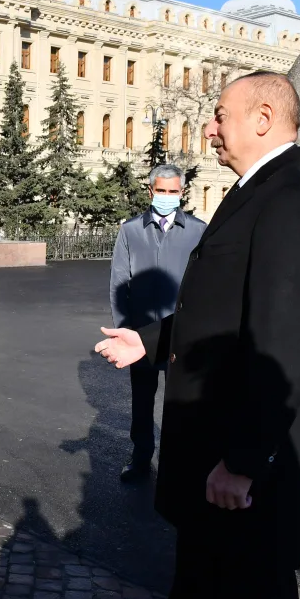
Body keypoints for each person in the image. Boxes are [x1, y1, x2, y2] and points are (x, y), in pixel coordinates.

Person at [94, 72, 300, 599]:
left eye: (221, 115)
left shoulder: (296, 198)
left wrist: (246, 461)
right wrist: (150, 341)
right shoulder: (259, 191)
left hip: (242, 477)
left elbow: (287, 340)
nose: (210, 128)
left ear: (262, 118)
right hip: (217, 467)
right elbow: (224, 309)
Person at [109, 164, 206, 482]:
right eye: (161, 191)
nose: (167, 197)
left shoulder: (198, 231)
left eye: (173, 191)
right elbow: (119, 283)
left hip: (182, 334)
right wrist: (124, 331)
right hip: (140, 334)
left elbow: (207, 285)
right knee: (142, 402)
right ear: (150, 192)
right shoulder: (131, 230)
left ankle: (181, 463)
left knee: (182, 403)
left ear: (181, 193)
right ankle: (140, 459)